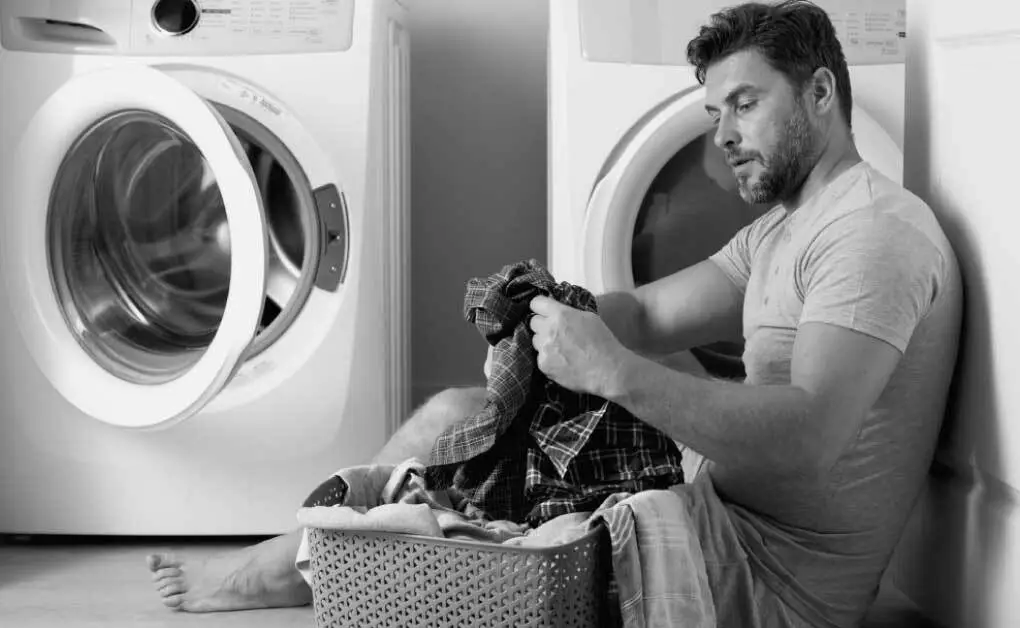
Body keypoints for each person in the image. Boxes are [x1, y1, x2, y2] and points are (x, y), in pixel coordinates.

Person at [147, 1, 962, 626]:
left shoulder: (873, 234)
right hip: (714, 512)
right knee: (463, 417)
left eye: (745, 104)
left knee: (473, 557)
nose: (724, 137)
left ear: (821, 91)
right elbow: (641, 313)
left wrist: (610, 369)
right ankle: (308, 557)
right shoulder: (785, 230)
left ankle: (302, 563)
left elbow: (810, 436)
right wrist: (539, 315)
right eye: (715, 115)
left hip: (761, 585)